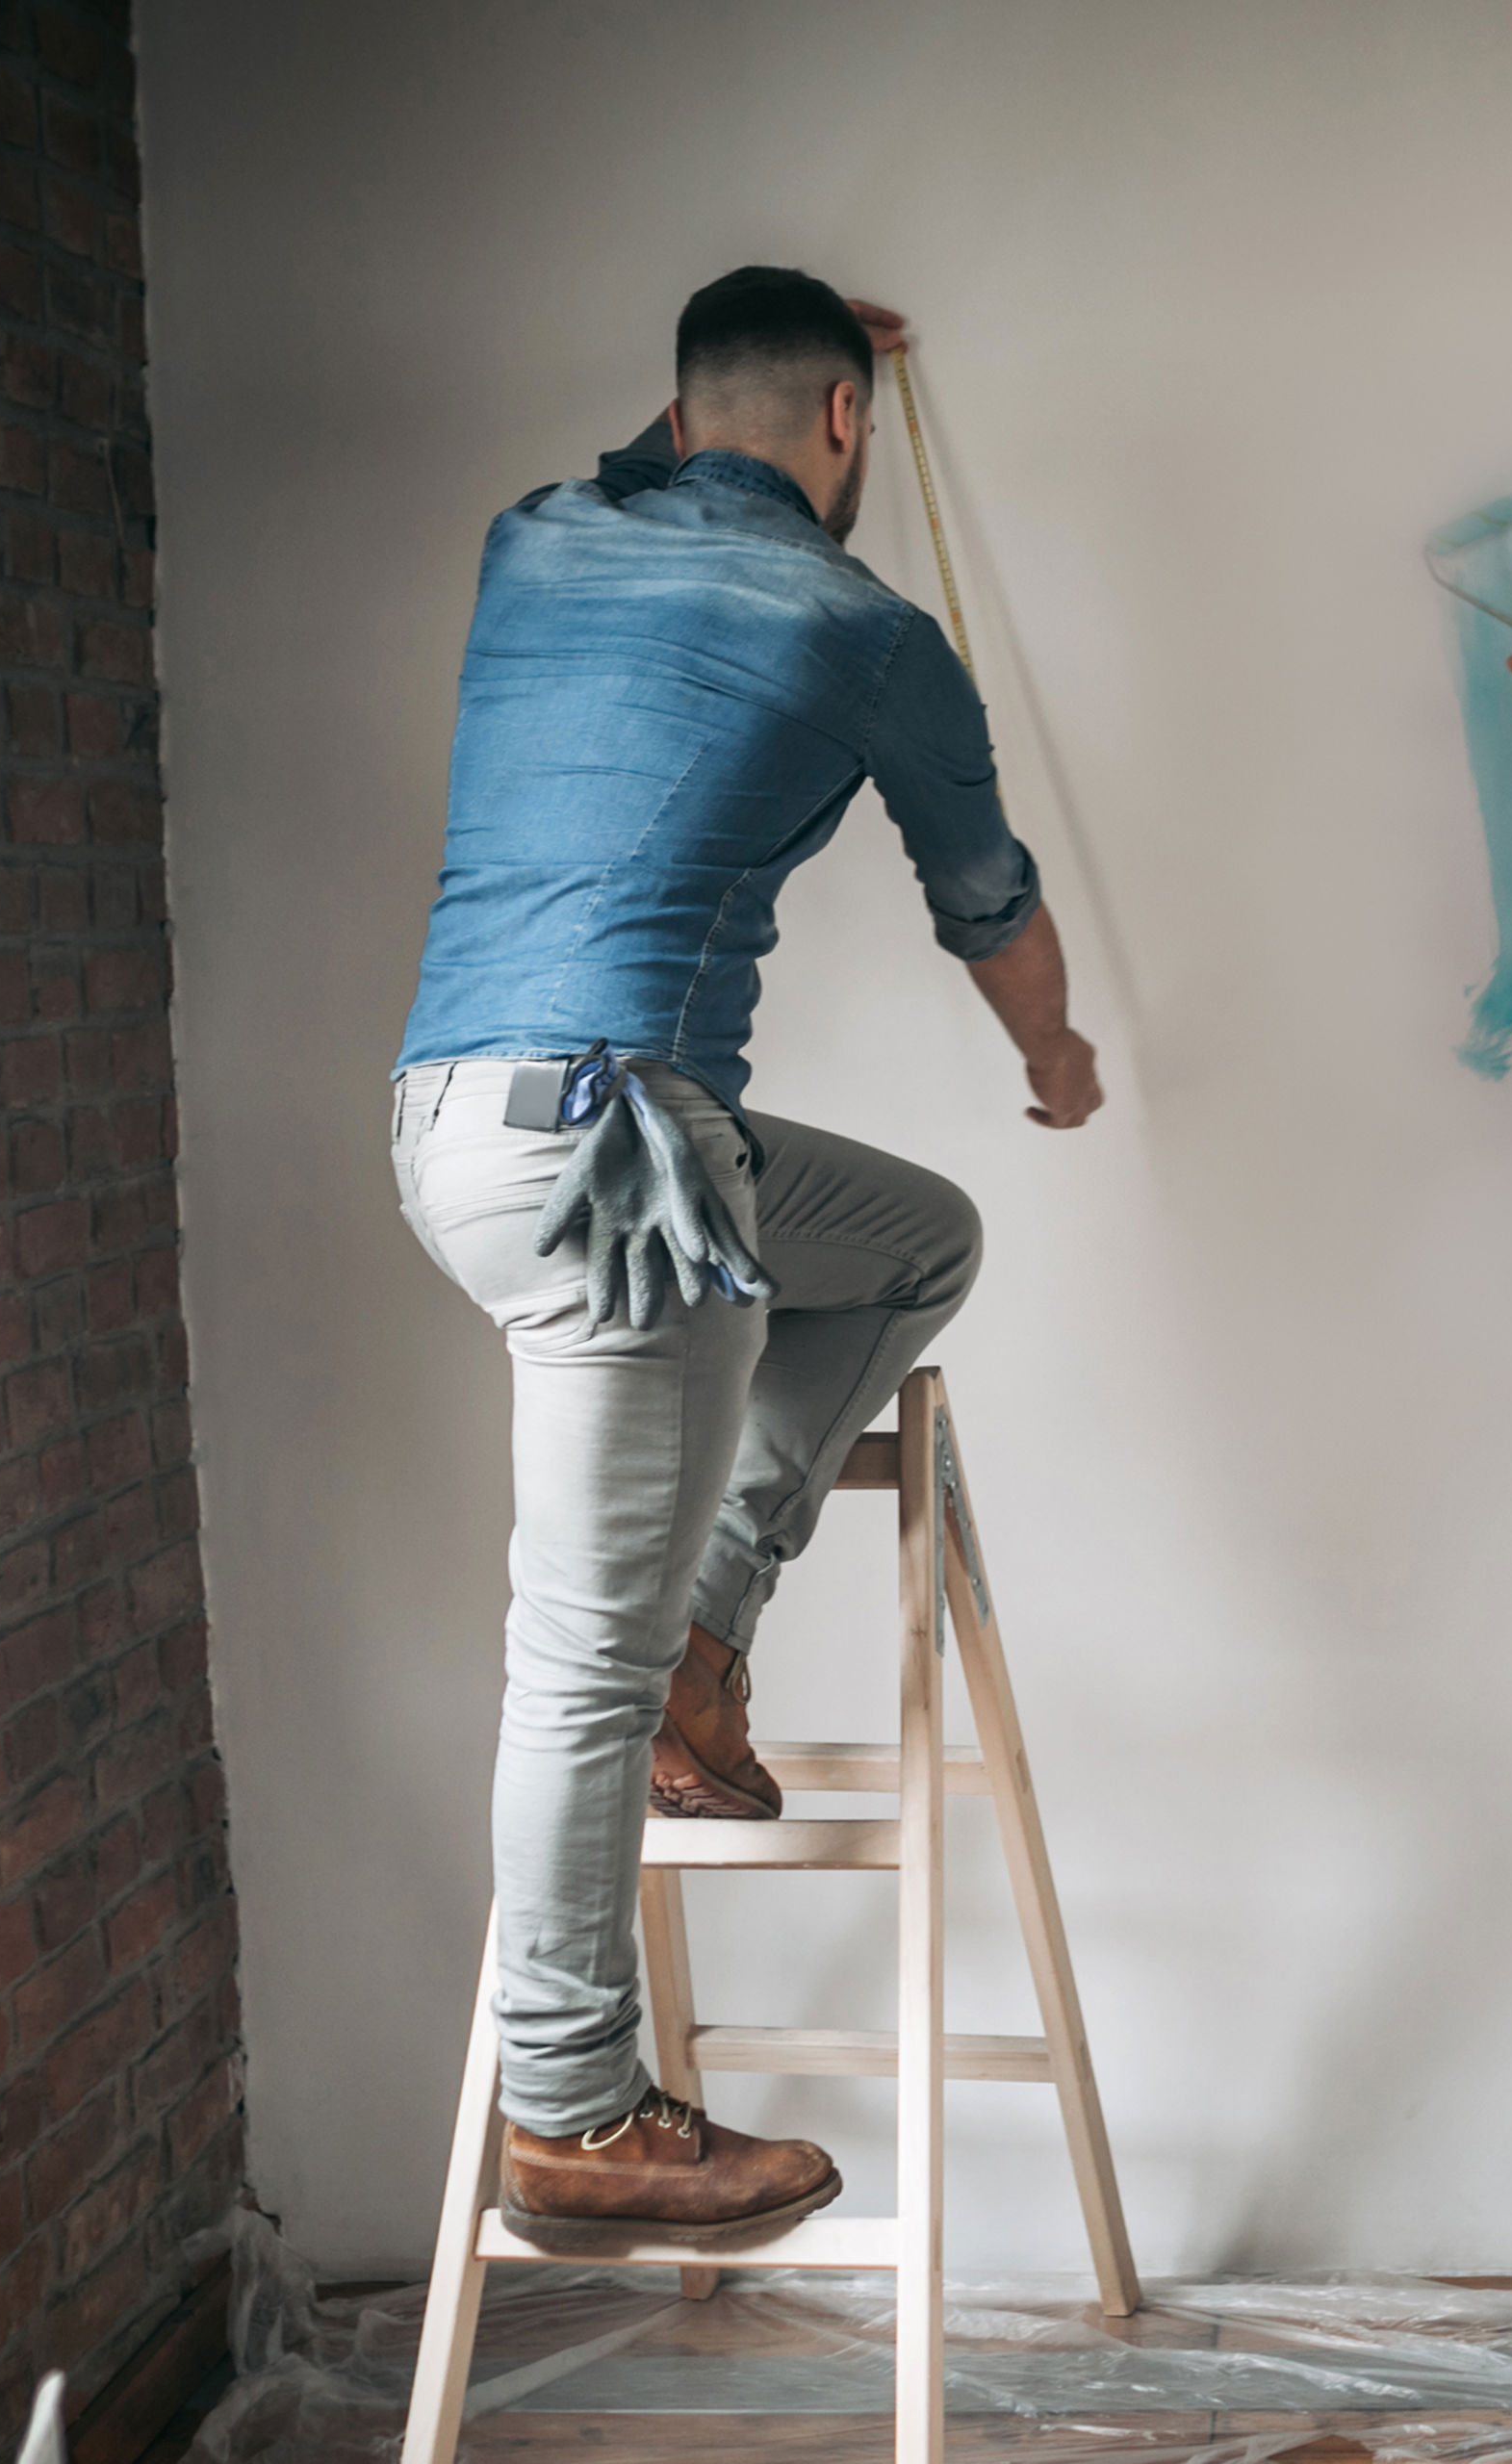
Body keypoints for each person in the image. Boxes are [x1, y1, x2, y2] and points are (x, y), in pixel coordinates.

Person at [391, 267, 1103, 2249]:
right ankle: (577, 2111)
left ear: (683, 409)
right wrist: (1058, 1057)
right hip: (618, 1155)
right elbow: (991, 905)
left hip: (458, 1121)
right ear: (849, 428)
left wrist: (776, 353)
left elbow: (674, 440)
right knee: (572, 1659)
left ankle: (713, 1654)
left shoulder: (539, 534)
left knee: (907, 1242)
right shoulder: (869, 631)